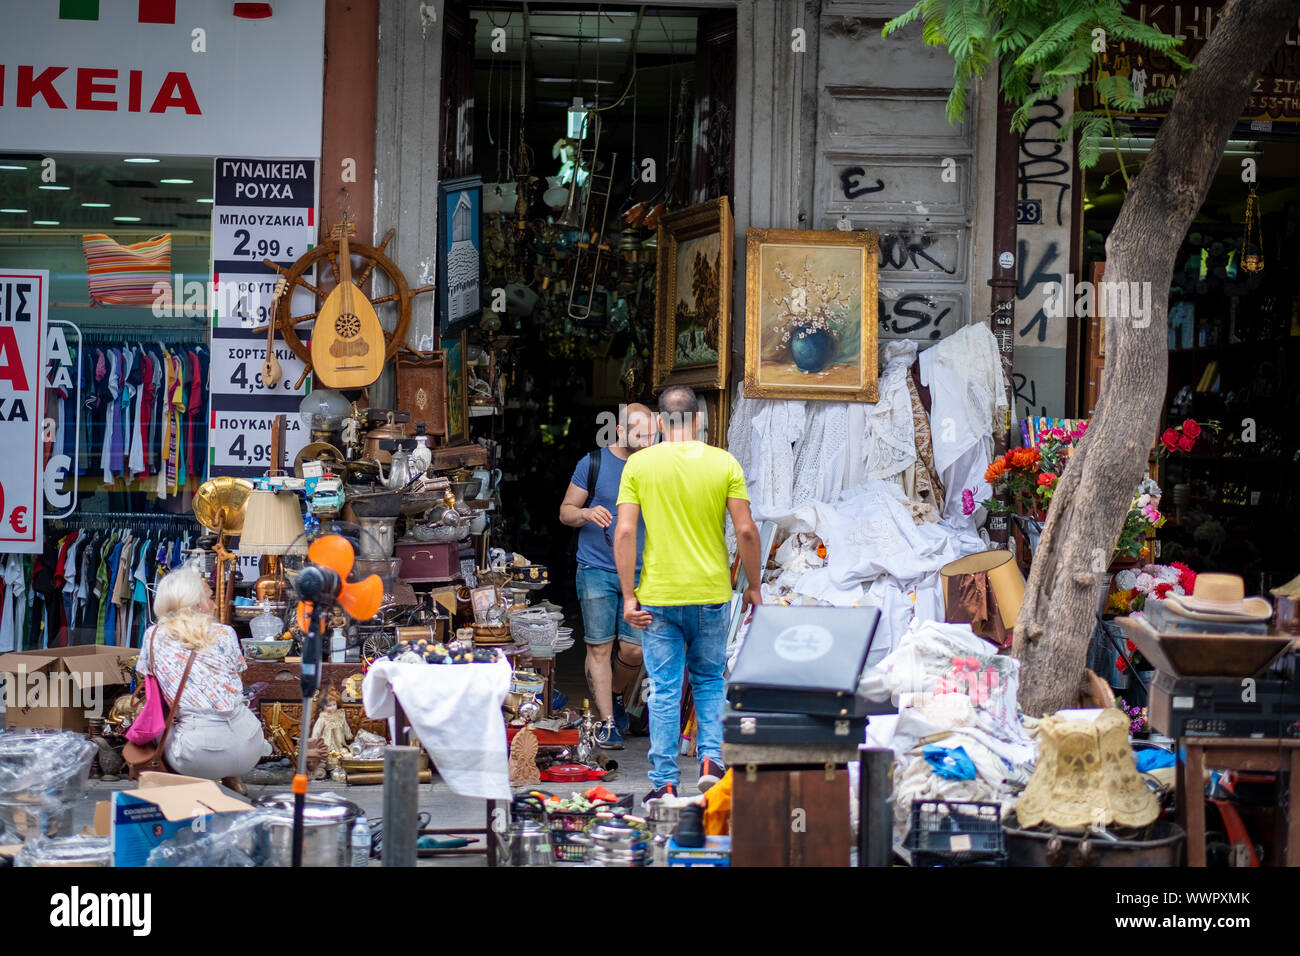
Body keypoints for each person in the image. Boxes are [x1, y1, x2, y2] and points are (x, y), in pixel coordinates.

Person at [614, 385, 762, 803]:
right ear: (698, 420)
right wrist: (753, 586)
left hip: (658, 597)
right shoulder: (724, 462)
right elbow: (747, 530)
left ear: (660, 423)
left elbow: (624, 531)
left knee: (663, 688)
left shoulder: (640, 465)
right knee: (710, 680)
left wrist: (628, 596)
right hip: (711, 593)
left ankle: (664, 782)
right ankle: (712, 762)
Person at [559, 403, 655, 748]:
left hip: (644, 572)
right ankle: (607, 722)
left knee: (634, 650)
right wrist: (586, 512)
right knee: (600, 646)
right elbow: (565, 512)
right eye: (638, 434)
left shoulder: (657, 464)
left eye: (650, 434)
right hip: (596, 568)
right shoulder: (594, 463)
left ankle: (613, 693)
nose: (646, 441)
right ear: (619, 431)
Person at [135, 566, 264, 793]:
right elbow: (237, 678)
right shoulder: (226, 633)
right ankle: (233, 779)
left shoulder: (152, 635)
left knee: (158, 713)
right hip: (250, 746)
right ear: (195, 604)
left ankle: (188, 781)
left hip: (197, 753)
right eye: (210, 599)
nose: (214, 605)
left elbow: (150, 686)